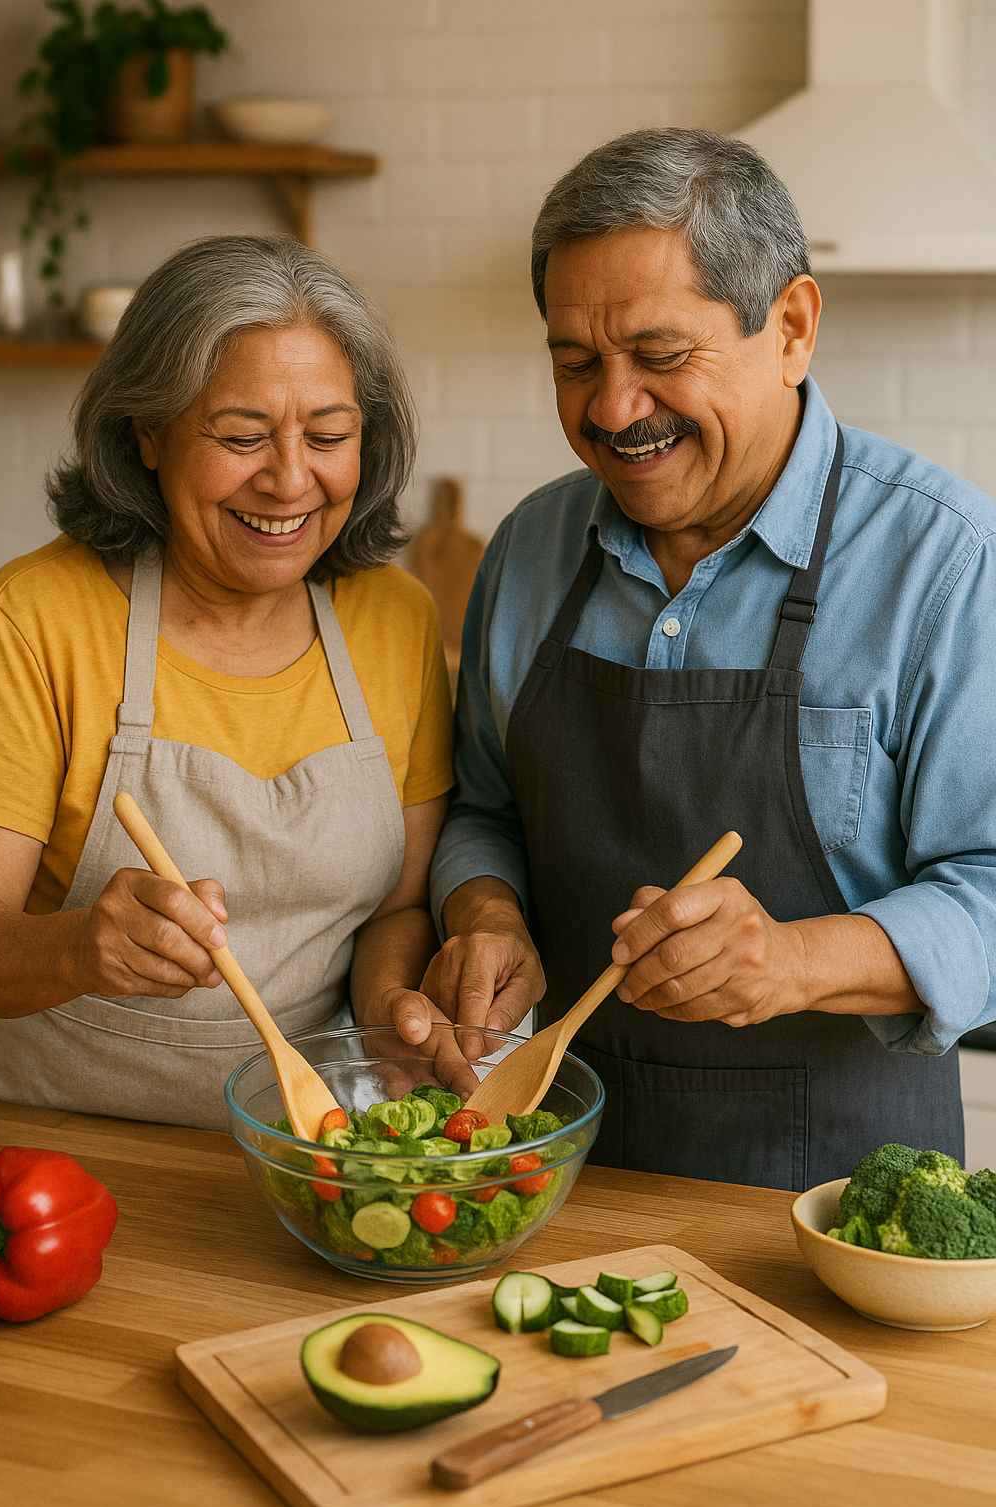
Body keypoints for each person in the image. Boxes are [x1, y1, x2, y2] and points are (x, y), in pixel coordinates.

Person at [422, 128, 996, 1190]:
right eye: (575, 363)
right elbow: (484, 811)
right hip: (547, 1176)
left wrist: (790, 962)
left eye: (660, 355)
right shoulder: (531, 550)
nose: (610, 410)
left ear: (790, 326)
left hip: (833, 1205)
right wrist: (485, 913)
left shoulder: (949, 564)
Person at [0, 235, 460, 1129]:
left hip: (295, 1150)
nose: (288, 481)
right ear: (146, 434)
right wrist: (80, 949)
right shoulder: (31, 620)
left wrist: (393, 1011)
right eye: (240, 437)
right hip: (45, 1149)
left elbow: (396, 906)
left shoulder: (396, 620)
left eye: (329, 436)